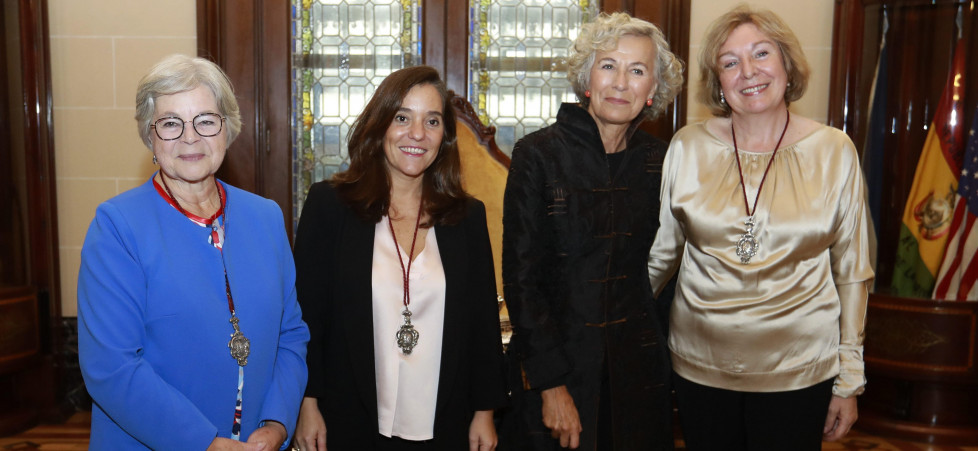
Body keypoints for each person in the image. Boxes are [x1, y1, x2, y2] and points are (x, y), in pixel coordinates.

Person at [646, 5, 874, 450]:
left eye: (761, 54)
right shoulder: (687, 147)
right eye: (730, 62)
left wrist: (849, 378)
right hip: (698, 367)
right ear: (718, 80)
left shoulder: (834, 151)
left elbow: (852, 271)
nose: (748, 72)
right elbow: (660, 256)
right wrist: (604, 330)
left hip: (801, 371)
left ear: (787, 63)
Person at [77, 54, 310, 450]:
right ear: (150, 136)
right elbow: (111, 367)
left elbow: (291, 335)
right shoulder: (117, 226)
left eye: (205, 120)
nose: (190, 137)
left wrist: (278, 422)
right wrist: (203, 442)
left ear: (227, 129)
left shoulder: (266, 217)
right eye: (171, 123)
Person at [292, 65, 507, 451]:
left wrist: (484, 411)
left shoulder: (467, 217)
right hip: (349, 418)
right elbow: (308, 317)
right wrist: (307, 404)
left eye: (432, 121)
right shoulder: (330, 206)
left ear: (444, 137)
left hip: (447, 421)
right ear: (380, 126)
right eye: (402, 117)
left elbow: (481, 325)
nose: (417, 134)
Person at [501, 12, 684, 450]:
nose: (621, 82)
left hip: (640, 378)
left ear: (652, 90)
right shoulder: (538, 154)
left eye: (637, 70)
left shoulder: (663, 161)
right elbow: (523, 281)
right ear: (587, 78)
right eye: (609, 66)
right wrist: (551, 385)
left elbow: (674, 271)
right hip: (556, 372)